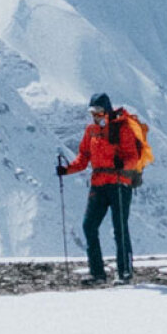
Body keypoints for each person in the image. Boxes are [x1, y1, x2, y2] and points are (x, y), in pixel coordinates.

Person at [57, 92, 142, 284]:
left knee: (119, 228)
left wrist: (123, 165)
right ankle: (97, 273)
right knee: (89, 226)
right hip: (99, 183)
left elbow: (132, 157)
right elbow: (83, 158)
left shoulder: (123, 129)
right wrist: (66, 170)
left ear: (107, 110)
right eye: (92, 112)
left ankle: (125, 272)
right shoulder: (91, 131)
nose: (95, 115)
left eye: (98, 111)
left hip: (119, 184)